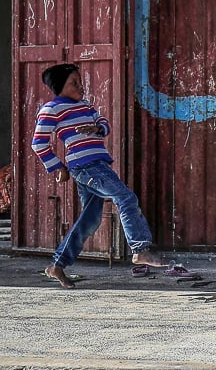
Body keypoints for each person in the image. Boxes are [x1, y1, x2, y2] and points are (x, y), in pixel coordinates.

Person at [31, 63, 167, 288]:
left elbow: (103, 122)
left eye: (80, 81)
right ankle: (140, 249)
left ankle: (57, 265)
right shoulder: (51, 109)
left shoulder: (85, 105)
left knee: (90, 218)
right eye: (74, 82)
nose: (80, 86)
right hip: (85, 167)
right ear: (59, 87)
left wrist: (98, 129)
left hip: (99, 164)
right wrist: (58, 167)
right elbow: (39, 144)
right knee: (126, 197)